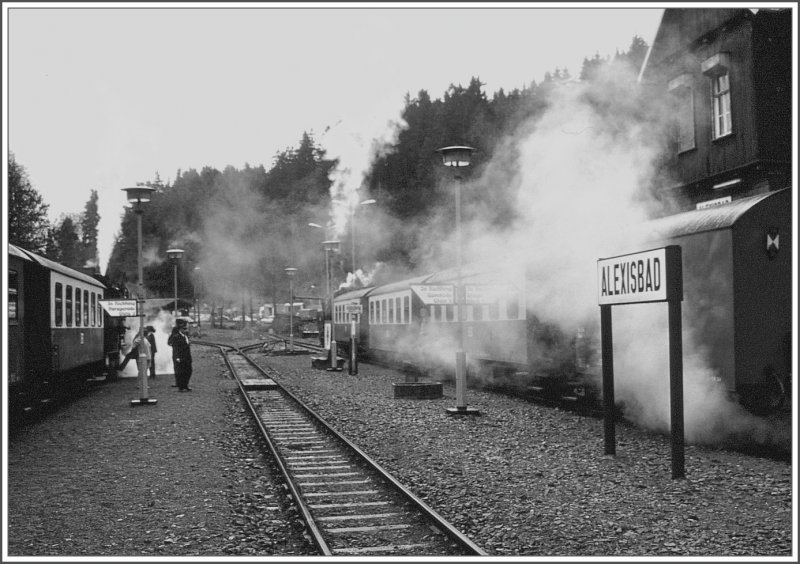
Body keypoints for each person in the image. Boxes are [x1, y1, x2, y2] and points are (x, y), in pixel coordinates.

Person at [168, 319, 193, 391]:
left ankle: (185, 385)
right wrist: (177, 357)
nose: (186, 330)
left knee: (189, 371)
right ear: (180, 329)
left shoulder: (186, 336)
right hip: (181, 357)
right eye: (184, 329)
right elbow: (175, 348)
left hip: (187, 357)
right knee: (181, 372)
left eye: (186, 328)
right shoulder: (176, 337)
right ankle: (181, 387)